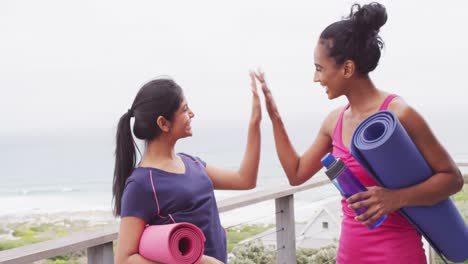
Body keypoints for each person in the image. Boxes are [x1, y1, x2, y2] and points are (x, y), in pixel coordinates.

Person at [255, 2, 464, 263]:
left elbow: (453, 179)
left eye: (319, 68)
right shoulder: (334, 122)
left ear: (347, 69)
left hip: (397, 252)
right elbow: (296, 173)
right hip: (349, 254)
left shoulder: (399, 114)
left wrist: (395, 198)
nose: (315, 78)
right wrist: (274, 117)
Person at [113, 73, 262, 264]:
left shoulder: (192, 163)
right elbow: (124, 259)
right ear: (163, 123)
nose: (192, 113)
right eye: (184, 109)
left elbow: (245, 180)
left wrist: (254, 124)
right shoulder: (141, 184)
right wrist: (200, 262)